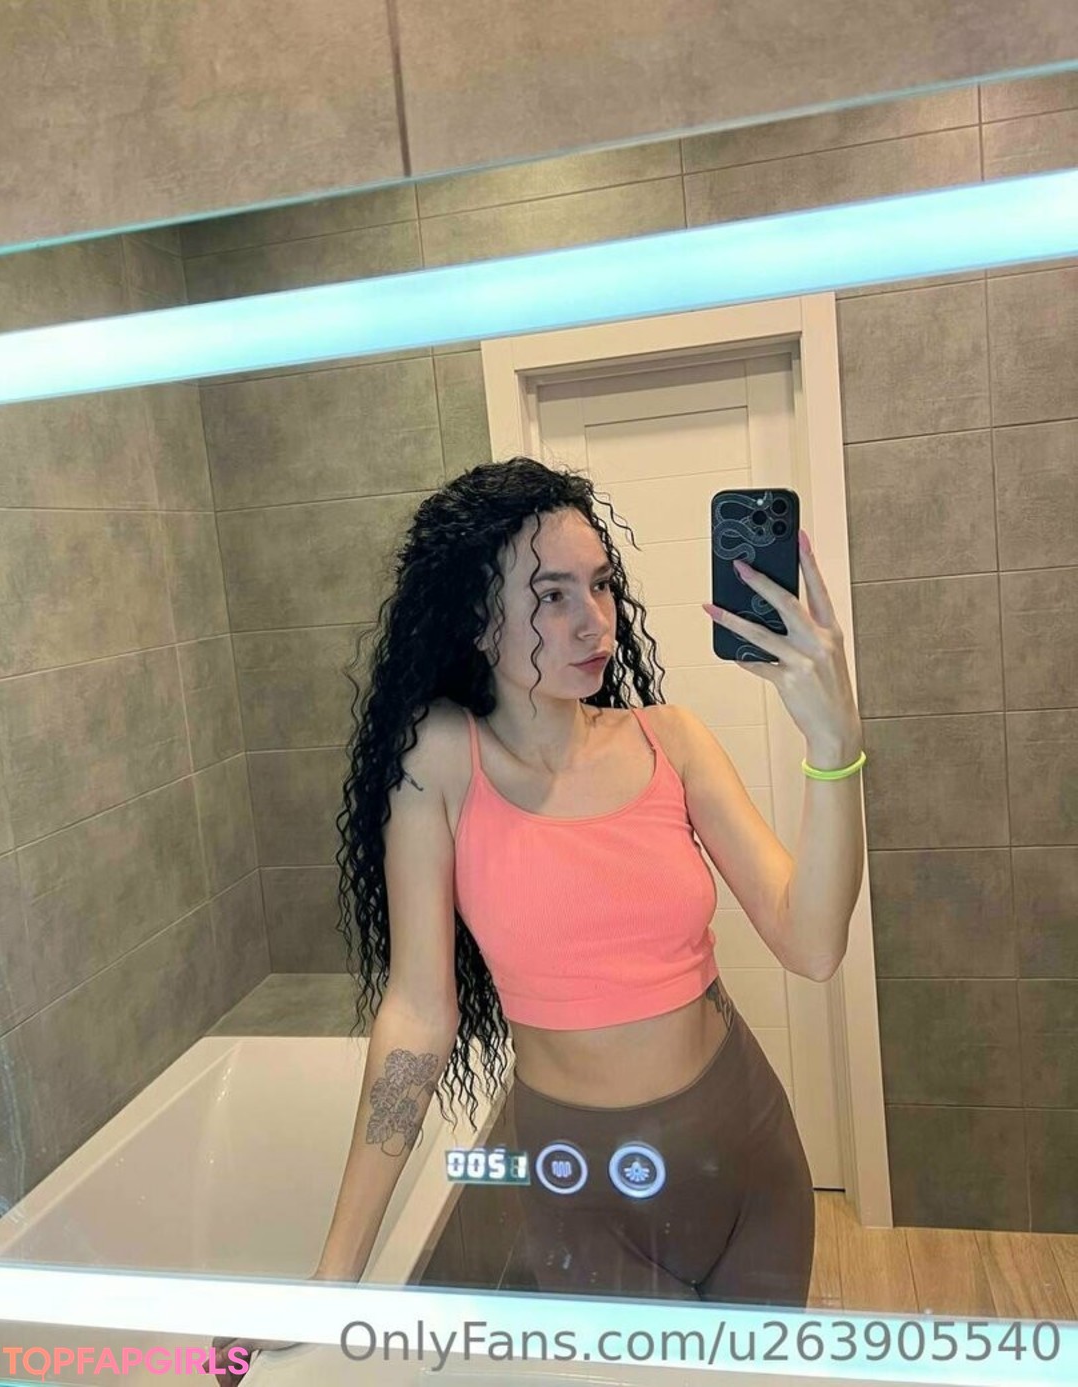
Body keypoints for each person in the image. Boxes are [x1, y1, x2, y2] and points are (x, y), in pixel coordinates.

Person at [210, 457, 865, 1381]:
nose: (594, 619)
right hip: (585, 1195)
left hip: (751, 1156)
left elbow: (814, 942)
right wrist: (335, 1275)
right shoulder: (440, 761)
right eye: (552, 595)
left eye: (600, 584)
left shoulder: (671, 739)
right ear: (479, 620)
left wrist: (835, 747)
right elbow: (419, 1015)